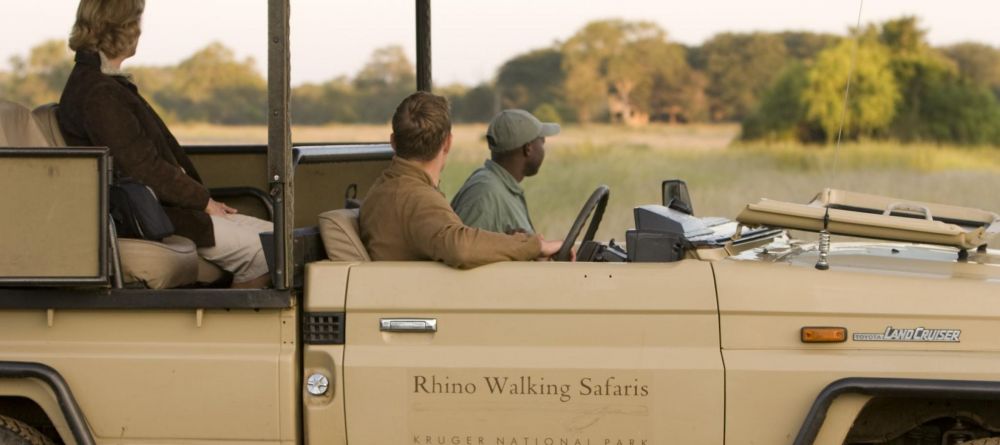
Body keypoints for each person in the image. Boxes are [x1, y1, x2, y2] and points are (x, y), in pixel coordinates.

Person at [57, 0, 272, 288]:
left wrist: (201, 201)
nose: (140, 32)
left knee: (277, 239)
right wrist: (202, 201)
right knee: (266, 252)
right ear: (122, 28)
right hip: (144, 216)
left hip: (158, 209)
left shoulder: (103, 84)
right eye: (136, 22)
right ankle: (236, 331)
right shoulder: (99, 93)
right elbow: (143, 168)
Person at [360, 92, 563, 269]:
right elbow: (461, 247)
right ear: (448, 142)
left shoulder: (389, 188)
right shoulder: (415, 197)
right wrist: (535, 246)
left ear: (393, 142)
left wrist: (513, 244)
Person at [451, 109, 558, 234]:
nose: (543, 150)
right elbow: (464, 249)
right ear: (528, 148)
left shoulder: (501, 187)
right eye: (542, 142)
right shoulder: (485, 194)